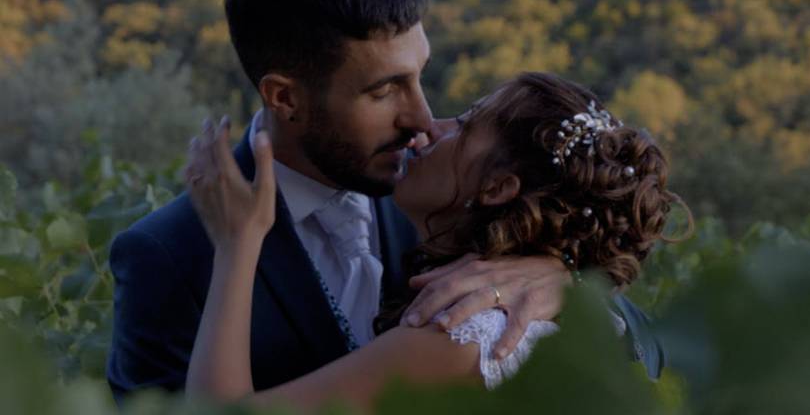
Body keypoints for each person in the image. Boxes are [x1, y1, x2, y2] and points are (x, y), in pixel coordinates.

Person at [107, 0, 574, 400]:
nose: (421, 118)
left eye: (419, 77)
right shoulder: (165, 255)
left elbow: (633, 340)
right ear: (285, 97)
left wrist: (559, 279)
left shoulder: (443, 200)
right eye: (384, 90)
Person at [184, 72, 689, 411]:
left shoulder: (461, 334)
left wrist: (237, 243)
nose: (429, 126)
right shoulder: (571, 318)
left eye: (465, 126)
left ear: (497, 188)